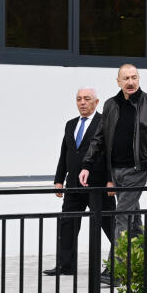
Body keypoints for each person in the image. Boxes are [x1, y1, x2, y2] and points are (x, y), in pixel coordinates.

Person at [79, 64, 147, 284]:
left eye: (134, 77)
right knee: (133, 220)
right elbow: (99, 138)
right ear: (118, 81)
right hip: (115, 170)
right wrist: (87, 165)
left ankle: (116, 271)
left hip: (137, 170)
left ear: (139, 79)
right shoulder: (111, 105)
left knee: (121, 217)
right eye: (126, 78)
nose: (130, 82)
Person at [43, 88, 115, 276]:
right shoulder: (70, 124)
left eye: (87, 99)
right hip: (73, 186)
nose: (82, 102)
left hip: (98, 186)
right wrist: (59, 180)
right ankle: (66, 265)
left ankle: (122, 263)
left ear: (96, 102)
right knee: (67, 224)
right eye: (79, 99)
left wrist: (111, 181)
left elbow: (111, 154)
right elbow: (65, 153)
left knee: (111, 225)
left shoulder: (105, 123)